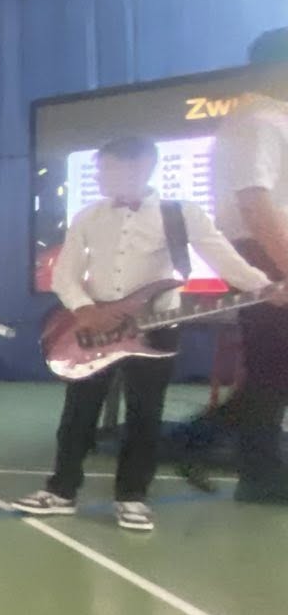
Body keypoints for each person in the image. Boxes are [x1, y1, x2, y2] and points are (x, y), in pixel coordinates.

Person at [13, 135, 272, 531]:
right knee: (79, 412)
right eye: (99, 169)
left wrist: (266, 287)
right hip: (94, 328)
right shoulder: (89, 215)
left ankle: (132, 497)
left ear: (141, 168)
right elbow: (65, 274)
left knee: (145, 413)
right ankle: (61, 491)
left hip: (157, 327)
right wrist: (86, 310)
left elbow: (225, 259)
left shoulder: (180, 213)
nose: (99, 177)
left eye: (108, 169)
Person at [212, 65, 288, 505]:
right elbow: (254, 203)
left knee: (273, 368)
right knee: (272, 367)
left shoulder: (269, 118)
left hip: (270, 252)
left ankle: (252, 461)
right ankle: (259, 475)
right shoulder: (258, 121)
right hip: (266, 255)